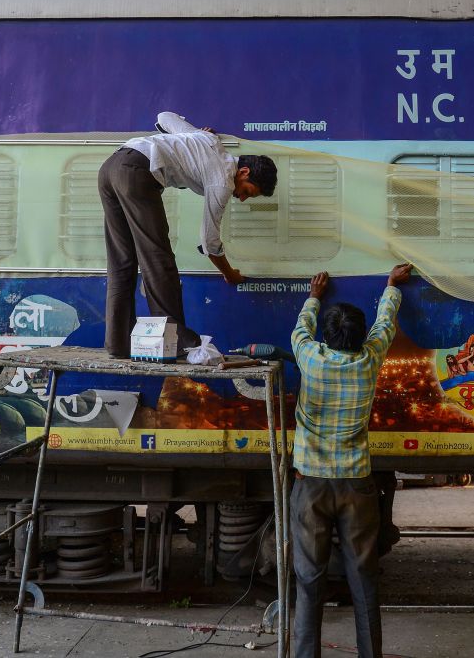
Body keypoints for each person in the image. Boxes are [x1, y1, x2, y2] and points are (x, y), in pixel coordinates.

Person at [290, 263, 414, 658]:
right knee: (364, 577)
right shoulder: (368, 361)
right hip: (357, 485)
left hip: (310, 483)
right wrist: (392, 286)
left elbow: (299, 330)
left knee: (309, 580)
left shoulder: (310, 357)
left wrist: (314, 295)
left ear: (327, 336)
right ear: (359, 337)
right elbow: (384, 325)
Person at [98, 111, 277, 357]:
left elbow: (164, 118)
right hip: (137, 174)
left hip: (110, 168)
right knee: (157, 259)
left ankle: (117, 344)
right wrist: (230, 273)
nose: (242, 198)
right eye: (248, 191)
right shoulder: (223, 181)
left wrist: (196, 133)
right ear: (244, 172)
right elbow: (209, 241)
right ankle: (177, 341)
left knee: (121, 262)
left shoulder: (208, 140)